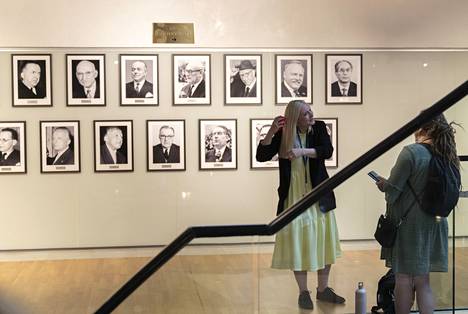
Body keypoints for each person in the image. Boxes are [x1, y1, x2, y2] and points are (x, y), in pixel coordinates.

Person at [256, 100, 344, 310]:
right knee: (299, 242)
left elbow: (327, 151)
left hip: (318, 195)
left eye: (310, 111)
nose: (311, 115)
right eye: (305, 113)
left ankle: (323, 290)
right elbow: (261, 156)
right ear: (296, 117)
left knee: (323, 240)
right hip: (293, 195)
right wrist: (271, 131)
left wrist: (303, 152)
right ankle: (303, 292)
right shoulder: (284, 133)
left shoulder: (319, 128)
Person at [374, 114, 459, 313]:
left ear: (422, 128)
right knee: (423, 281)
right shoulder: (447, 153)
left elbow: (393, 192)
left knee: (403, 278)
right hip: (436, 223)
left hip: (410, 226)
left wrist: (383, 184)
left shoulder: (411, 152)